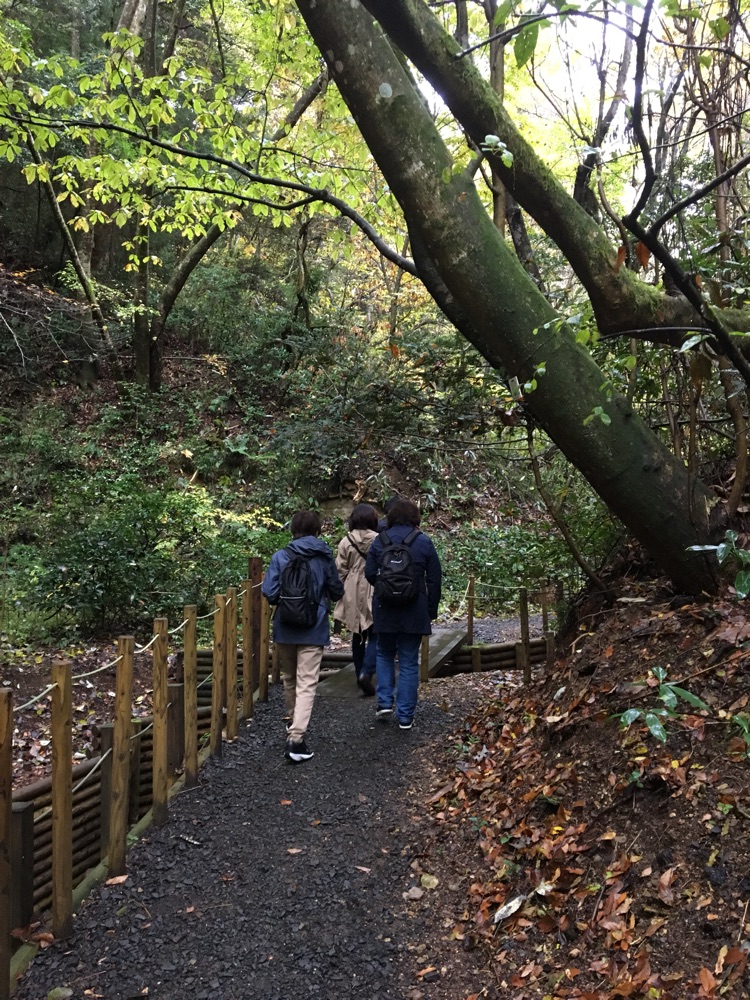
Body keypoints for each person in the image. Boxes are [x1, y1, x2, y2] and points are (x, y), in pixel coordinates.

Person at [262, 510, 343, 763]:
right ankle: (296, 740)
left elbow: (269, 592)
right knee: (307, 682)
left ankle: (293, 724)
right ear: (318, 530)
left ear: (293, 530)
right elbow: (337, 591)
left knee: (289, 679)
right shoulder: (323, 556)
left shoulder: (280, 556)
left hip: (285, 627)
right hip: (314, 627)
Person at [365, 499, 442, 730]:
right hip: (414, 609)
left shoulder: (380, 541)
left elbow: (369, 573)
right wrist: (430, 609)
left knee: (384, 653)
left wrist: (385, 589)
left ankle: (385, 702)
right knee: (409, 661)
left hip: (385, 608)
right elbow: (434, 579)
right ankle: (406, 716)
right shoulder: (424, 542)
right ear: (415, 517)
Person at [333, 503, 379, 696]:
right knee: (376, 632)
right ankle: (367, 672)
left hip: (351, 589)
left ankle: (359, 672)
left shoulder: (346, 541)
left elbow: (340, 569)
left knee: (357, 634)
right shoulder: (378, 539)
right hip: (374, 585)